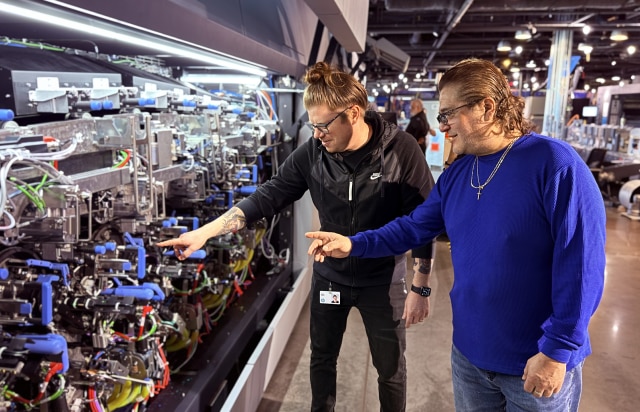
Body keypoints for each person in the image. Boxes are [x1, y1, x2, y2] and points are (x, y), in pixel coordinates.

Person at [306, 58, 606, 411]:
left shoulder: (555, 164)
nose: (443, 126)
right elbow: (413, 227)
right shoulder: (459, 173)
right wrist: (353, 243)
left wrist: (556, 352)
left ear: (487, 107)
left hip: (534, 363)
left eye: (448, 114)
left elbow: (582, 268)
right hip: (470, 359)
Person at [157, 61, 435, 412]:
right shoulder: (315, 154)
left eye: (323, 125)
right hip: (331, 279)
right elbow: (267, 196)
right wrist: (206, 232)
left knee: (391, 369)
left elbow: (425, 219)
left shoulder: (401, 150)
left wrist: (421, 286)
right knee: (321, 359)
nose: (317, 134)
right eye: (312, 125)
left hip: (382, 281)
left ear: (353, 113)